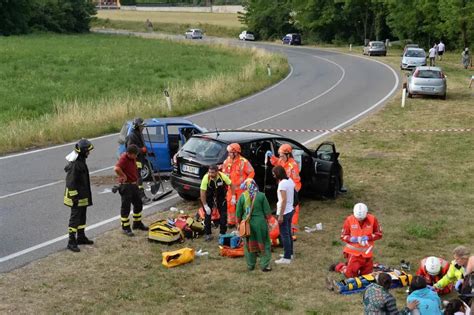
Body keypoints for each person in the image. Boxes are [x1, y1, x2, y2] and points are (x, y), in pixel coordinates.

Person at [63, 139, 94, 252]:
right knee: (75, 219)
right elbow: (71, 183)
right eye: (87, 151)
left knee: (82, 217)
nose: (89, 153)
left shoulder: (81, 161)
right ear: (82, 152)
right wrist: (75, 198)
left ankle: (80, 237)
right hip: (76, 198)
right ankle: (71, 242)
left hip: (82, 196)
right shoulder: (76, 165)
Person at [236, 178, 272, 272]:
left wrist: (239, 224)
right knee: (264, 243)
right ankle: (264, 265)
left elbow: (238, 213)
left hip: (247, 225)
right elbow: (268, 214)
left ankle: (250, 265)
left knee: (248, 245)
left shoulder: (242, 197)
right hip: (260, 224)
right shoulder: (261, 196)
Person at [339, 203, 383, 277]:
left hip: (367, 254)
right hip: (353, 253)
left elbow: (379, 234)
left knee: (367, 276)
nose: (359, 219)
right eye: (358, 218)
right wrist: (351, 239)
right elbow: (343, 236)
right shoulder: (349, 220)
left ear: (367, 213)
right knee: (350, 276)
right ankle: (340, 267)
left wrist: (368, 237)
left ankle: (351, 267)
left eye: (362, 218)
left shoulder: (372, 219)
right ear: (353, 213)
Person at [267, 143, 301, 235]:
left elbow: (296, 180)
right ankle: (286, 228)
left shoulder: (293, 166)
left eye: (282, 156)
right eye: (280, 156)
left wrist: (293, 192)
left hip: (291, 189)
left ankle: (292, 231)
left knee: (293, 209)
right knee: (284, 206)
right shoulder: (283, 160)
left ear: (288, 155)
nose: (280, 158)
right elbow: (277, 162)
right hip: (284, 188)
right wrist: (272, 157)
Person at [114, 144, 148, 237]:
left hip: (133, 185)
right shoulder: (124, 158)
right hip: (126, 186)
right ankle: (125, 228)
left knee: (138, 204)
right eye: (135, 155)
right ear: (129, 154)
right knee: (126, 208)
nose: (136, 156)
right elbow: (116, 168)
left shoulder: (132, 158)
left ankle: (137, 224)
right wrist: (123, 176)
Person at [222, 143, 255, 227]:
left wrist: (246, 182)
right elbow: (224, 172)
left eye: (230, 152)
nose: (228, 154)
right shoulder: (227, 161)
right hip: (231, 188)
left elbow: (251, 172)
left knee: (242, 205)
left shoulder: (244, 162)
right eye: (228, 152)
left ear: (236, 152)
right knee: (230, 205)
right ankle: (231, 222)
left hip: (241, 189)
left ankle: (242, 221)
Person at [199, 165, 235, 241]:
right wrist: (205, 205)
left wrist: (233, 196)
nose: (210, 174)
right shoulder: (206, 178)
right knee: (208, 215)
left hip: (220, 196)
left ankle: (222, 233)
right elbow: (202, 193)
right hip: (209, 197)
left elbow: (231, 184)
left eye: (212, 172)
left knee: (223, 215)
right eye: (209, 172)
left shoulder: (222, 176)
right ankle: (208, 234)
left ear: (217, 172)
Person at [272, 165, 295, 265]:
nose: (273, 176)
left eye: (274, 174)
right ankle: (290, 253)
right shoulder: (290, 180)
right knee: (289, 233)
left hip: (284, 212)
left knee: (284, 235)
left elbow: (283, 200)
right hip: (290, 210)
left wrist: (280, 215)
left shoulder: (282, 184)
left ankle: (286, 258)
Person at [126, 117, 151, 204]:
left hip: (139, 160)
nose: (143, 128)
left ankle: (137, 197)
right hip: (134, 161)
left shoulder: (138, 134)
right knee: (138, 180)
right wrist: (141, 150)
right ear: (136, 126)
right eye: (141, 126)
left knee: (137, 179)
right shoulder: (132, 136)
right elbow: (130, 149)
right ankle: (142, 197)